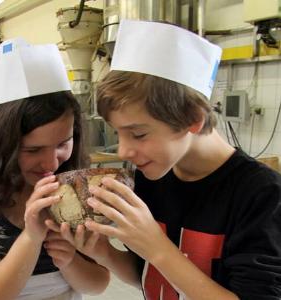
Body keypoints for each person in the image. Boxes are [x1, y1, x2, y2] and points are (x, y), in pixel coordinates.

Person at [52, 20, 281, 299]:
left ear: (192, 119)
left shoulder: (261, 195)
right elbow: (149, 276)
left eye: (138, 134)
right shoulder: (154, 179)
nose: (123, 152)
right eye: (118, 133)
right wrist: (103, 251)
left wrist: (158, 248)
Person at [0, 39, 110, 300]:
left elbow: (98, 284)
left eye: (63, 144)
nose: (50, 164)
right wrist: (32, 238)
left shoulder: (76, 184)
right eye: (32, 150)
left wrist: (70, 260)